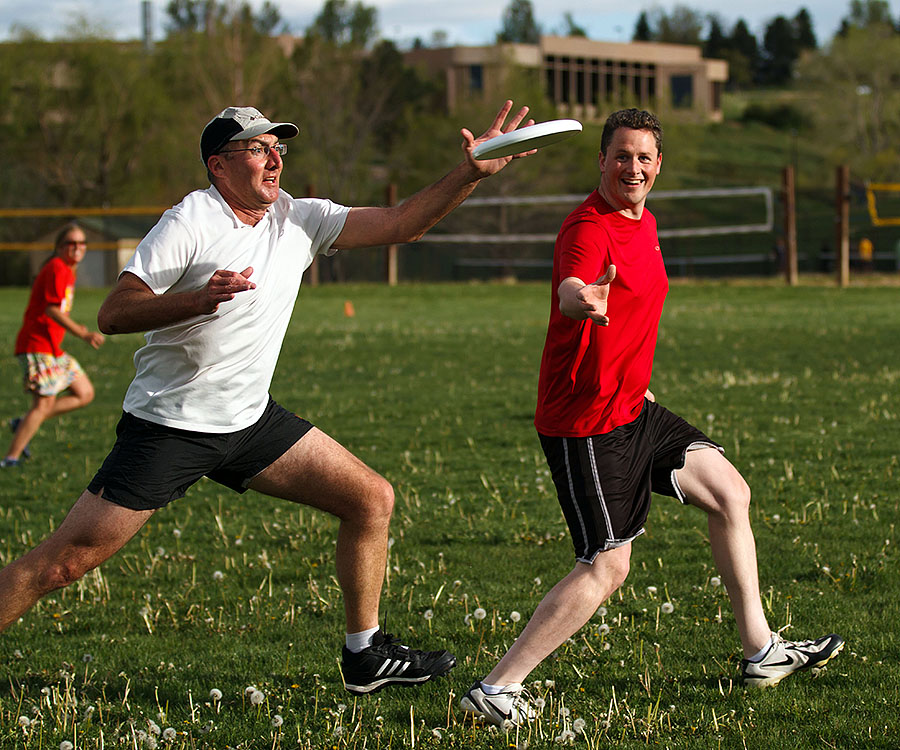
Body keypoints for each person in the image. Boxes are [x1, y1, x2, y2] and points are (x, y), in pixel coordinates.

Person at [0, 102, 535, 695]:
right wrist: (196, 299)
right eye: (257, 147)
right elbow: (114, 311)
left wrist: (470, 172)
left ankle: (365, 656)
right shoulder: (191, 221)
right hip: (171, 427)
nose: (274, 156)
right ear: (219, 166)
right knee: (62, 564)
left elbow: (401, 222)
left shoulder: (299, 219)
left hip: (250, 422)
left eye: (277, 145)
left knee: (371, 499)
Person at [460, 108, 844, 727]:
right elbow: (571, 284)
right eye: (620, 155)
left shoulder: (647, 222)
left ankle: (761, 650)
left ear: (658, 164)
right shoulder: (587, 226)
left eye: (643, 157)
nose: (631, 167)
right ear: (602, 162)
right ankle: (498, 689)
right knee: (608, 564)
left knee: (729, 492)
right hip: (585, 423)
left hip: (635, 408)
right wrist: (581, 299)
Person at [2, 222, 105, 468]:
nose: (77, 247)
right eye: (71, 243)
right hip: (37, 345)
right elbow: (50, 310)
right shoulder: (58, 268)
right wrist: (83, 333)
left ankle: (25, 422)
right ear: (59, 247)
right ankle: (11, 458)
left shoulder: (66, 270)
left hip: (52, 348)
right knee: (43, 404)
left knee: (84, 392)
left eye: (82, 243)